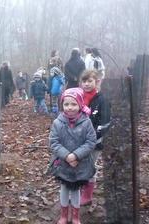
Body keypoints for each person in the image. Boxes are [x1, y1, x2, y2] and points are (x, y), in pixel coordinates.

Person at [48, 88, 96, 224]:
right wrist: (67, 156)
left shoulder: (86, 122)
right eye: (66, 104)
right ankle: (63, 215)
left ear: (80, 105)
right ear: (62, 105)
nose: (70, 108)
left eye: (74, 104)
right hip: (63, 163)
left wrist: (76, 155)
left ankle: (75, 216)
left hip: (81, 164)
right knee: (64, 189)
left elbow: (91, 141)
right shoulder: (58, 122)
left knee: (75, 191)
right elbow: (54, 142)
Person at [79, 70, 111, 206]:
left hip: (95, 142)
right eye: (84, 81)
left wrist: (94, 139)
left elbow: (105, 123)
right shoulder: (78, 97)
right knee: (80, 164)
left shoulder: (102, 100)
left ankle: (88, 194)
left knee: (90, 166)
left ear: (97, 82)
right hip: (79, 140)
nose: (86, 84)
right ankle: (81, 187)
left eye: (89, 81)